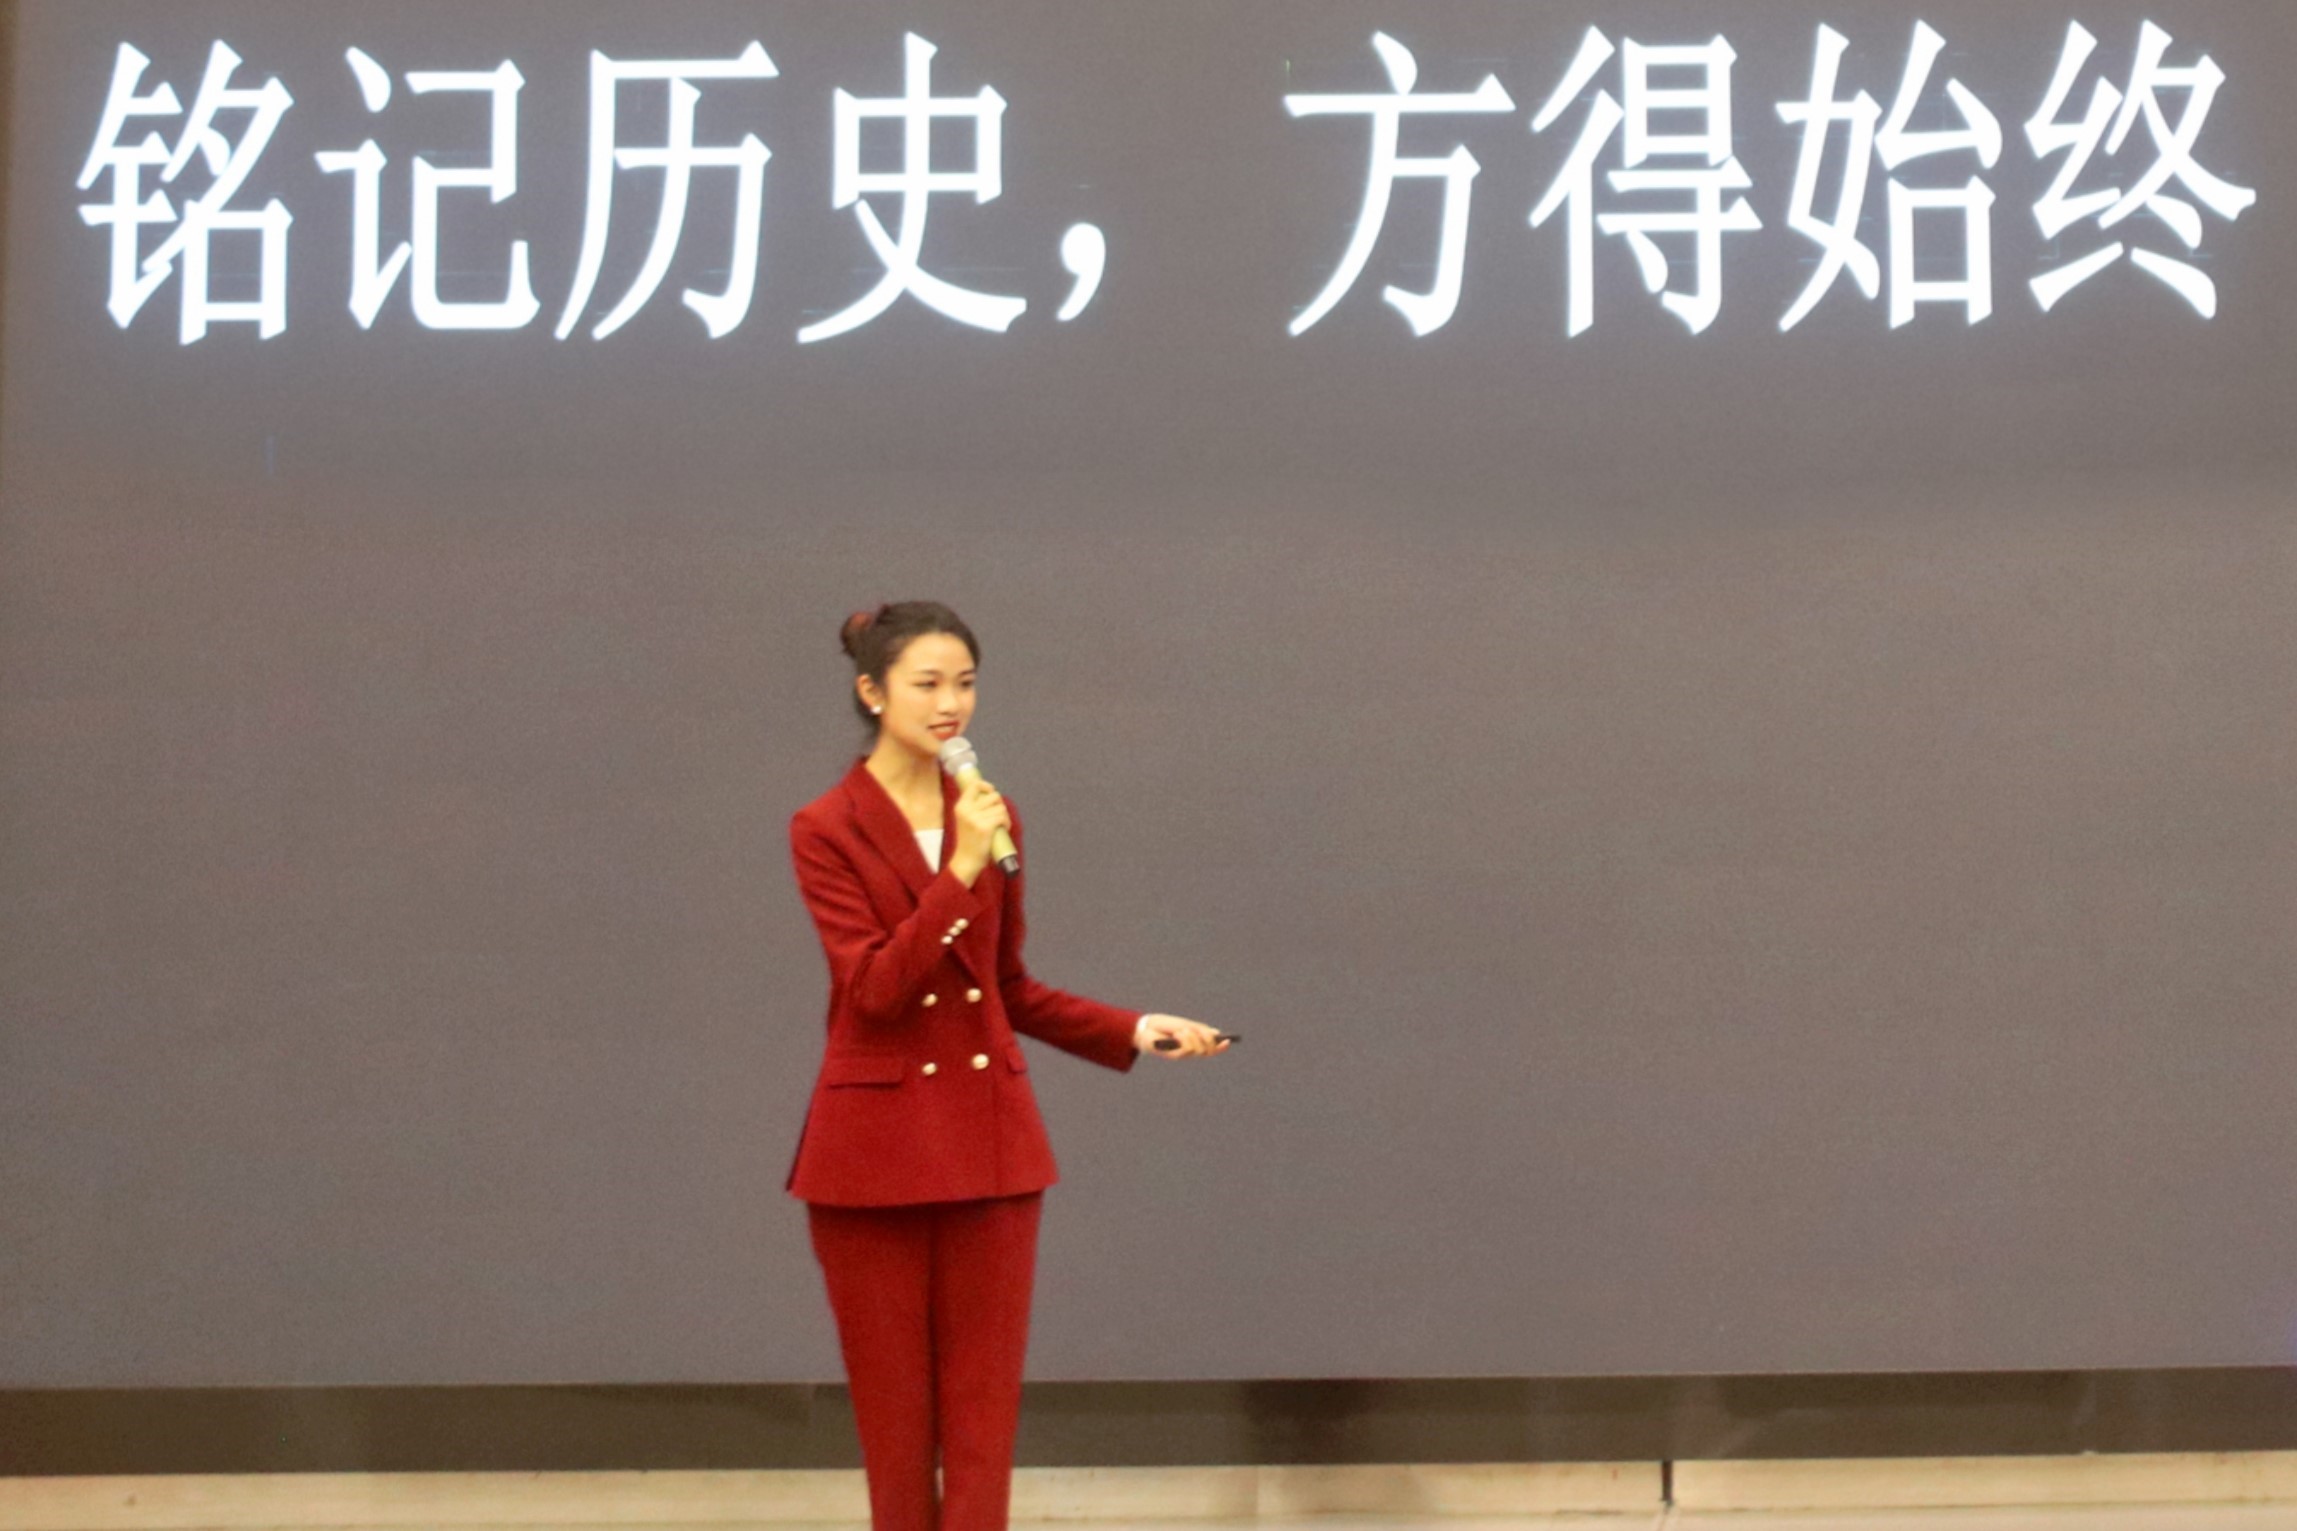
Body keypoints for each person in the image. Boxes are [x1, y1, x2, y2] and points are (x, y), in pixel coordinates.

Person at [786, 600, 1230, 1531]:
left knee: (983, 1418)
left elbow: (1006, 987)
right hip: (871, 1157)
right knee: (895, 1420)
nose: (951, 703)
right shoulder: (825, 826)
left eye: (965, 682)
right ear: (872, 691)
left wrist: (1132, 1026)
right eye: (927, 683)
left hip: (990, 1146)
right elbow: (874, 990)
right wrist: (958, 872)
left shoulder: (991, 814)